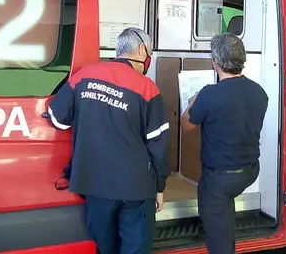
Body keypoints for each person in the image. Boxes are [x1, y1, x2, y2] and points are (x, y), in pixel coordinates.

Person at [48, 27, 169, 254]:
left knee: (105, 247)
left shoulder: (84, 76)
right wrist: (159, 186)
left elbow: (58, 119)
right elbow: (158, 144)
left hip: (94, 183)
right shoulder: (147, 88)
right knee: (135, 248)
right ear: (143, 50)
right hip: (135, 188)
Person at [180, 33, 268, 254]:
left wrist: (192, 103)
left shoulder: (209, 94)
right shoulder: (259, 92)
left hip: (220, 179)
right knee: (222, 209)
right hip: (249, 170)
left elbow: (187, 126)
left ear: (215, 62)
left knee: (219, 240)